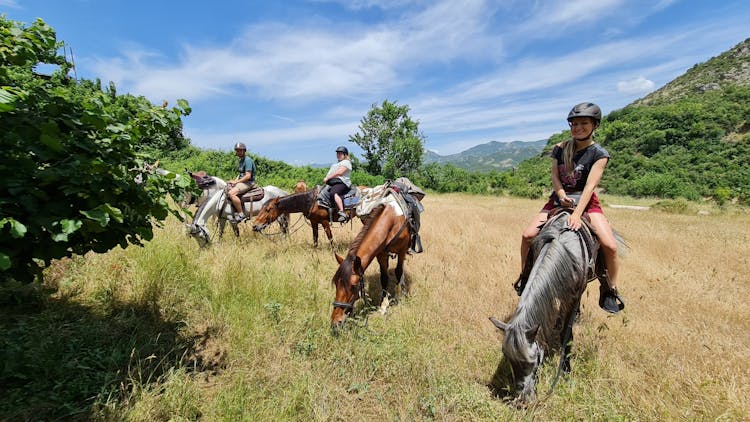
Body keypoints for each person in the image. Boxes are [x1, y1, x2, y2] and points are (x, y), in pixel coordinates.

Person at [514, 102, 624, 313]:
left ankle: (610, 288)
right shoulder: (560, 148)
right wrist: (561, 194)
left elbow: (591, 186)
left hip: (586, 202)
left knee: (610, 245)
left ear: (595, 125)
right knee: (527, 235)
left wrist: (576, 213)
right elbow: (555, 176)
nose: (577, 127)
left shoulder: (599, 153)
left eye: (583, 123)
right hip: (558, 200)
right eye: (573, 124)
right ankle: (526, 277)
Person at [226, 142, 257, 222]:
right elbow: (240, 174)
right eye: (237, 150)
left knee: (231, 193)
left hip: (249, 183)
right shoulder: (241, 161)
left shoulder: (248, 161)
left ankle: (241, 214)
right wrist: (234, 181)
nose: (238, 152)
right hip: (242, 182)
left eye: (239, 150)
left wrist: (236, 182)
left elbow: (247, 176)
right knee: (226, 188)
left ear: (244, 151)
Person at [323, 146, 353, 223]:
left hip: (342, 182)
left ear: (345, 155)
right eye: (337, 154)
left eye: (340, 154)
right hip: (334, 183)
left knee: (334, 192)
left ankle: (342, 212)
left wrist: (327, 178)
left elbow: (339, 172)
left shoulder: (346, 162)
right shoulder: (336, 164)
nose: (338, 155)